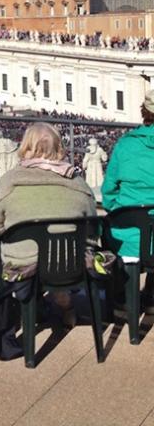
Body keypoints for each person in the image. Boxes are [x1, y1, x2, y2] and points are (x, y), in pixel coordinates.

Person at [0, 122, 96, 337]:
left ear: (25, 147)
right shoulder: (78, 183)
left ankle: (30, 305)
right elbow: (91, 228)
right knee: (57, 255)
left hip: (22, 265)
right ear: (59, 149)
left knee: (25, 254)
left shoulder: (9, 182)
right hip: (69, 264)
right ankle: (66, 306)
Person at [102, 90, 154, 310]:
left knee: (107, 229)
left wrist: (119, 211)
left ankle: (120, 297)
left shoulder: (125, 145)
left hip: (129, 236)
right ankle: (151, 295)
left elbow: (108, 192)